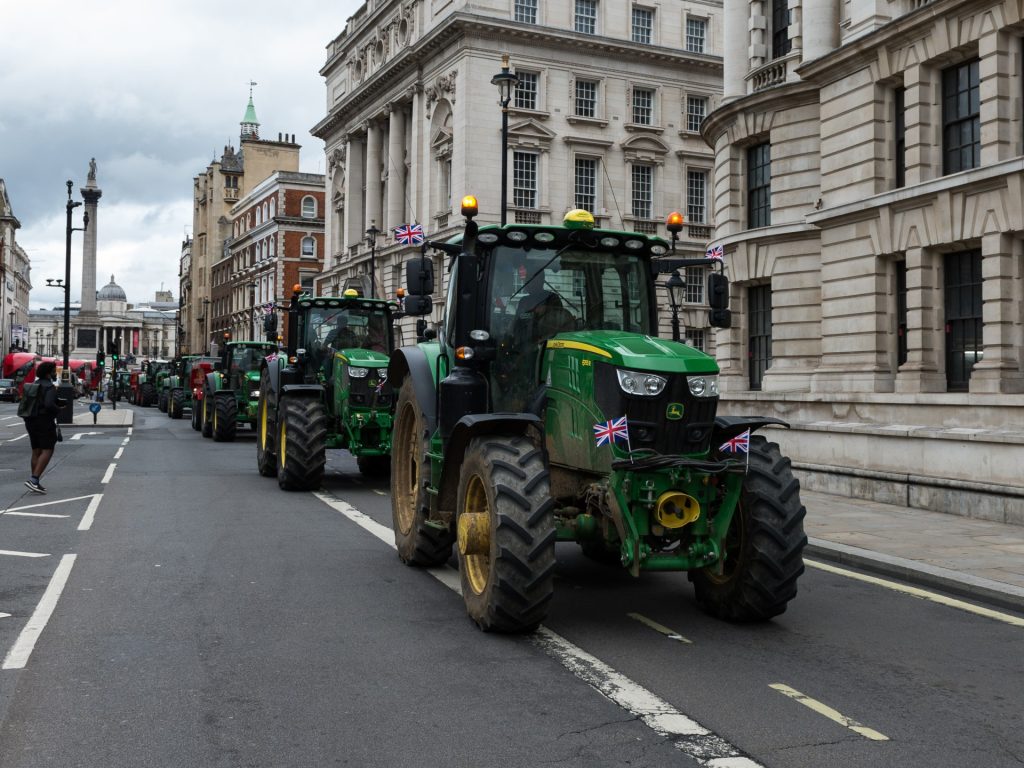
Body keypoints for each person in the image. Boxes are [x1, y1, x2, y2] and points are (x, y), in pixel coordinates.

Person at [22, 361, 65, 494]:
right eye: (53, 371)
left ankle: (35, 481)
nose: (54, 373)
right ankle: (34, 480)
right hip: (44, 421)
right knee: (48, 449)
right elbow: (48, 404)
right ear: (48, 373)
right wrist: (59, 409)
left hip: (30, 420)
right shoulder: (49, 387)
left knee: (36, 450)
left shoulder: (34, 385)